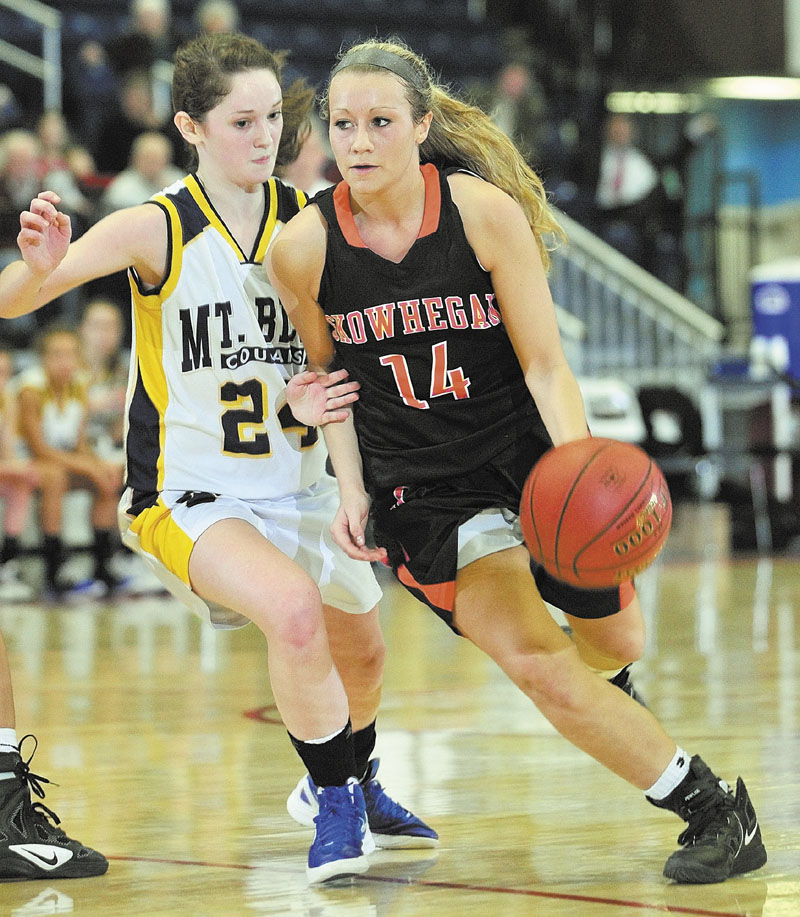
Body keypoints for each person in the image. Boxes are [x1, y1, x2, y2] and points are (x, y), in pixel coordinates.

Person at [267, 38, 768, 885]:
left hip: (529, 463)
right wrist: (349, 487)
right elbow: (332, 381)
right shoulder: (304, 247)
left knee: (616, 644)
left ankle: (615, 698)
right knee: (540, 662)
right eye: (342, 123)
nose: (358, 141)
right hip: (424, 492)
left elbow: (544, 363)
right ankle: (716, 808)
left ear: (422, 127)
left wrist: (578, 470)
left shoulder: (481, 213)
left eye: (380, 122)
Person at [0, 32, 435, 884]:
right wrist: (37, 269)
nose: (265, 135)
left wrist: (307, 398)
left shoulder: (309, 221)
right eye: (242, 121)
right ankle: (337, 806)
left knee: (368, 653)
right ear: (191, 127)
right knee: (295, 610)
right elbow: (18, 297)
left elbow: (330, 357)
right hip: (192, 492)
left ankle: (350, 774)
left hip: (302, 482)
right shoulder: (153, 228)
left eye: (274, 116)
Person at [15, 326, 124, 600]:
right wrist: (86, 465)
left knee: (109, 474)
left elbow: (79, 444)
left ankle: (103, 565)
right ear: (42, 358)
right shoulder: (30, 389)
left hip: (62, 461)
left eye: (71, 353)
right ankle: (54, 569)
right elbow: (39, 449)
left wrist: (97, 464)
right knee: (56, 477)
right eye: (56, 354)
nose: (65, 360)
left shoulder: (79, 385)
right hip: (25, 461)